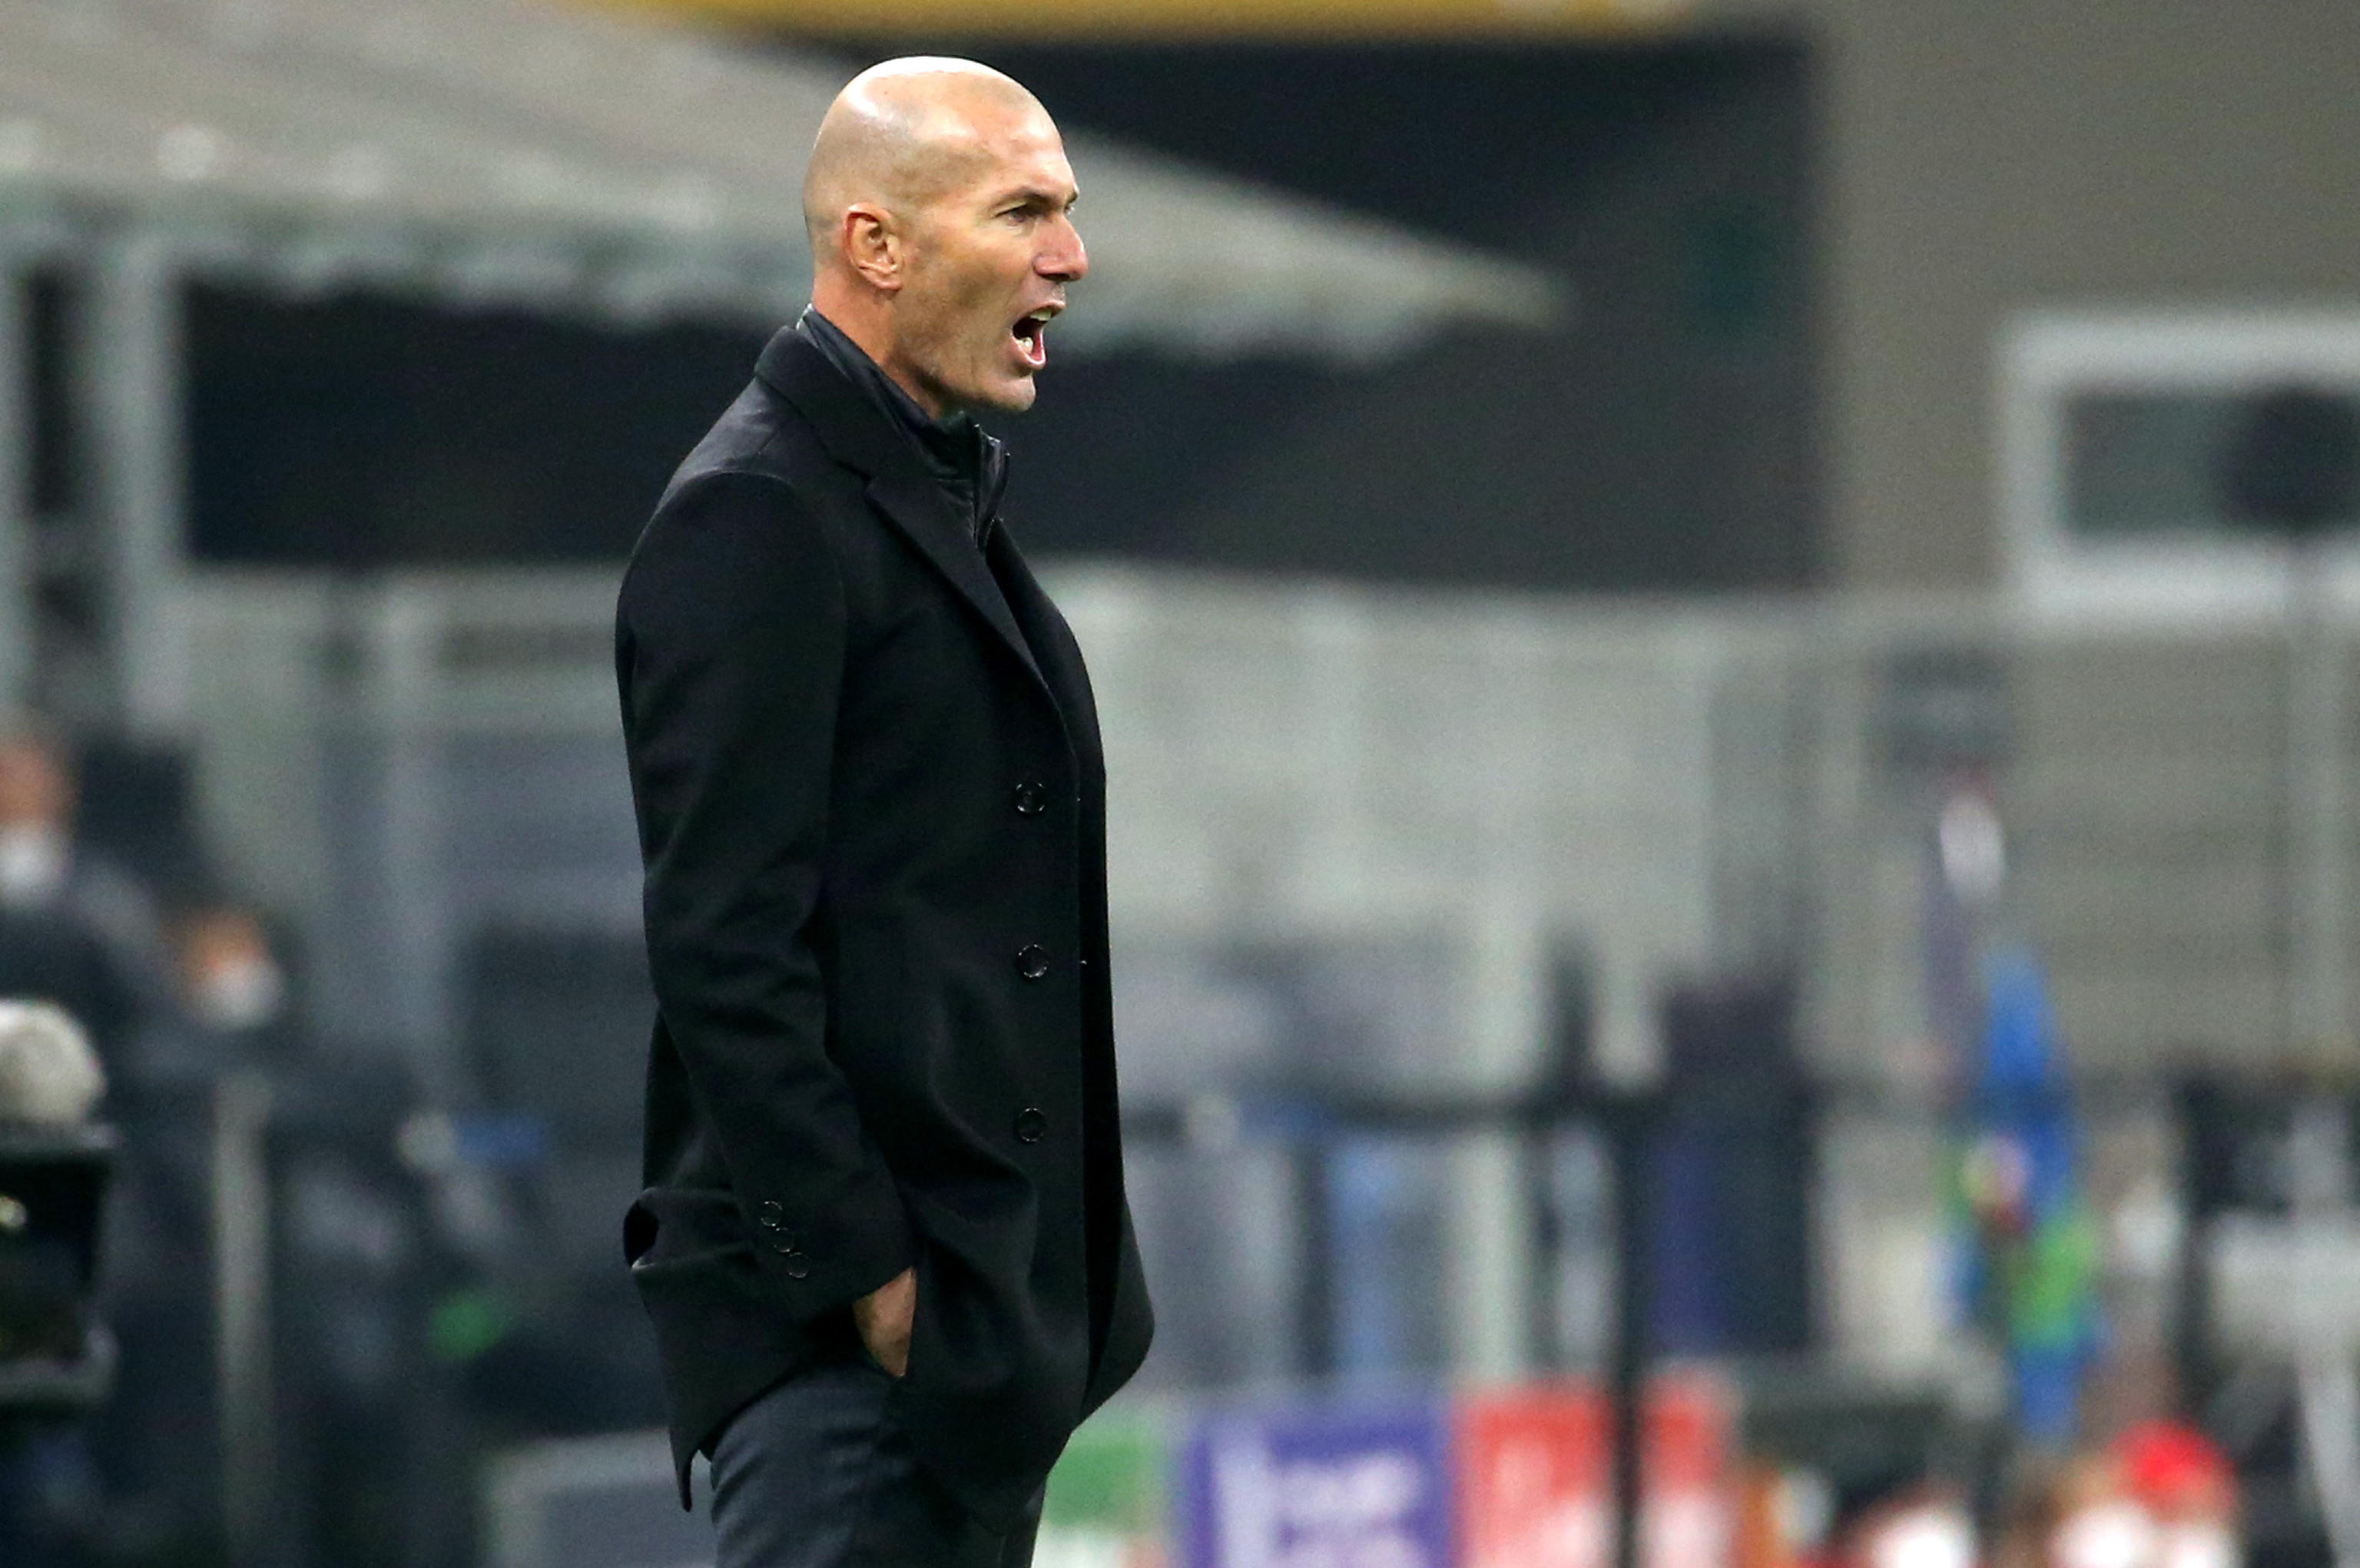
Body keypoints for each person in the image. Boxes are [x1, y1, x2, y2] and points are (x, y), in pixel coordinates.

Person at [614, 57, 1154, 1568]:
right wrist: (874, 1281)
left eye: (1069, 211)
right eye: (1024, 211)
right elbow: (723, 947)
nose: (1070, 256)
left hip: (970, 1342)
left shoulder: (924, 492)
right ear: (878, 246)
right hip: (854, 1358)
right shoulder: (761, 514)